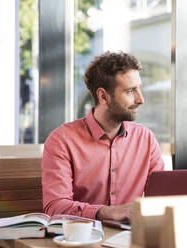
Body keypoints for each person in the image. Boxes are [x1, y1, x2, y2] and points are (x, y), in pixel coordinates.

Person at [42, 51, 164, 221]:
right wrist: (106, 212)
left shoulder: (146, 138)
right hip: (82, 239)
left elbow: (161, 198)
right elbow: (55, 207)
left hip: (131, 237)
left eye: (139, 89)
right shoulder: (62, 140)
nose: (140, 99)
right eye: (130, 91)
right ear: (103, 96)